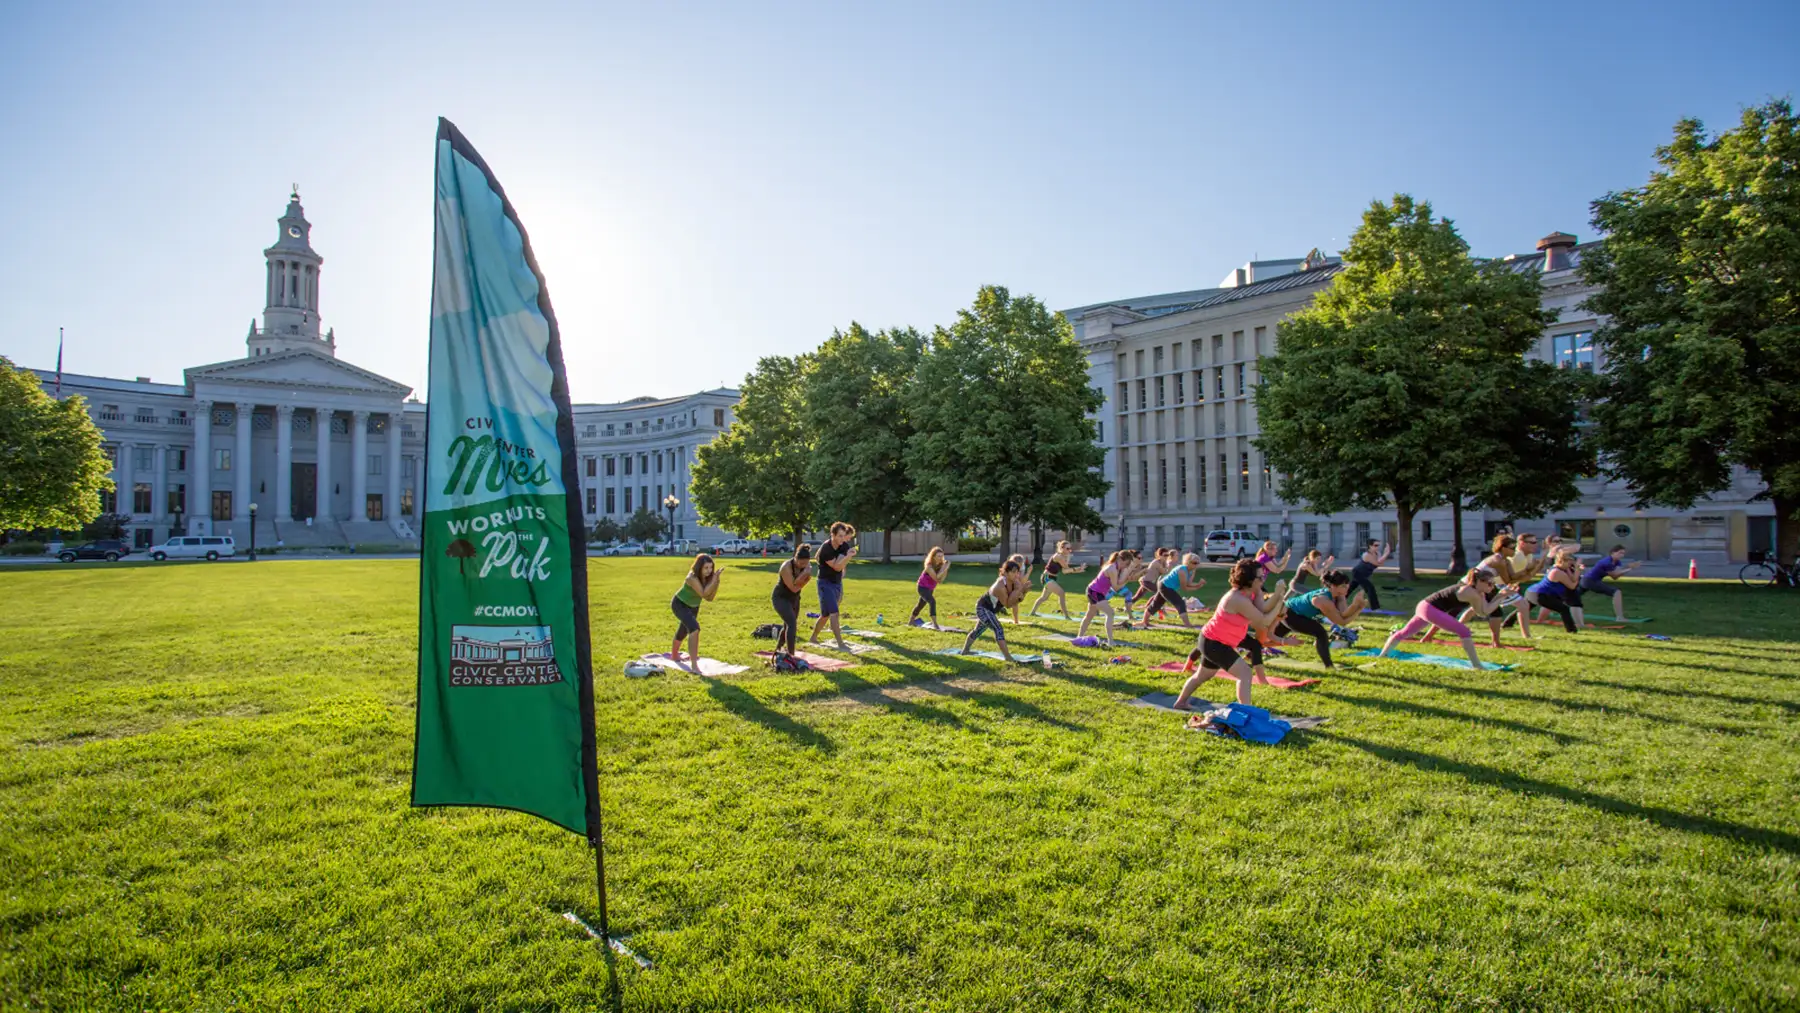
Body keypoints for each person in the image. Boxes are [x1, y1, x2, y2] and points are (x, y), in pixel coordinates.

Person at [1172, 558, 1288, 709]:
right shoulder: (1237, 599)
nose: (1263, 580)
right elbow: (1263, 621)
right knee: (1245, 673)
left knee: (1202, 676)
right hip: (1214, 643)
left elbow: (1263, 609)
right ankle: (1246, 712)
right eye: (1260, 577)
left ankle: (1180, 703)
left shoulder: (1253, 592)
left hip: (1216, 641)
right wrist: (1279, 598)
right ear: (1249, 580)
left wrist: (1278, 596)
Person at [1376, 568, 1500, 670]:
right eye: (1489, 583)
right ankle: (1477, 665)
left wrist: (1501, 596)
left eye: (1493, 584)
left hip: (1425, 606)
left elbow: (1483, 611)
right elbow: (1483, 612)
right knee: (1464, 631)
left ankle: (1382, 656)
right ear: (1479, 582)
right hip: (1429, 608)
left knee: (1405, 633)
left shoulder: (1477, 593)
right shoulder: (1470, 592)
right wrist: (1501, 597)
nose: (1492, 587)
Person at [1424, 533, 1534, 646]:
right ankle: (1428, 636)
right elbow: (1508, 580)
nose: (1514, 551)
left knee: (1493, 612)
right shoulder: (1498, 561)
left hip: (1483, 587)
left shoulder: (1505, 560)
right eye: (1512, 548)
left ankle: (1495, 642)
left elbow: (1514, 577)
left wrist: (1529, 571)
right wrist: (1528, 573)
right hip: (1468, 585)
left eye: (1515, 548)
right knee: (1453, 611)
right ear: (1503, 548)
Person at [1276, 569, 1364, 668]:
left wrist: (1356, 607)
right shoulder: (1323, 600)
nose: (1347, 589)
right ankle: (1329, 666)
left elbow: (1343, 615)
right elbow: (1342, 622)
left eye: (1347, 585)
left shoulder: (1339, 595)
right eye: (1343, 586)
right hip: (1289, 613)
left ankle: (1256, 652)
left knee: (1271, 638)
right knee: (1321, 634)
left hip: (1297, 613)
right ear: (1332, 586)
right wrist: (1357, 608)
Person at [961, 559, 1024, 662]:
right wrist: (1018, 591)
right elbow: (1008, 604)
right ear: (1006, 573)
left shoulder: (1013, 582)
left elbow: (1015, 601)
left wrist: (1022, 593)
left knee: (977, 631)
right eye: (1013, 572)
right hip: (983, 608)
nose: (1017, 574)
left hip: (990, 610)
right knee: (998, 629)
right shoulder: (1000, 585)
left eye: (1018, 572)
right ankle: (1008, 657)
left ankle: (965, 651)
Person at [670, 553, 721, 674]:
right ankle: (694, 666)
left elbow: (709, 598)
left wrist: (716, 582)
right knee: (694, 629)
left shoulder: (707, 578)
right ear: (699, 567)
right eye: (706, 568)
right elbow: (703, 593)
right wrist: (714, 580)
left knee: (683, 630)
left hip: (693, 606)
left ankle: (674, 655)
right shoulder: (691, 577)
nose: (709, 571)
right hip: (679, 604)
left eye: (711, 568)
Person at [809, 522, 858, 651]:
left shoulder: (843, 545)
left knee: (825, 614)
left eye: (844, 536)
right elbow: (837, 567)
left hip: (836, 582)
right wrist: (847, 557)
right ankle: (840, 643)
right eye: (840, 536)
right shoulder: (826, 548)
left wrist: (844, 559)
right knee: (834, 613)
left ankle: (813, 638)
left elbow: (841, 565)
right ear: (833, 535)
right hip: (825, 583)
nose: (843, 539)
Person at [1076, 550, 1133, 647]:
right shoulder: (1112, 569)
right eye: (1126, 564)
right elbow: (1115, 587)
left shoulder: (1115, 567)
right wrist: (1127, 580)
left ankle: (1079, 638)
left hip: (1095, 591)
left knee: (1089, 615)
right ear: (1120, 560)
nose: (1126, 566)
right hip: (1094, 592)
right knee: (1110, 613)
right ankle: (1110, 641)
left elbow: (1117, 583)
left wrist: (1127, 578)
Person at [1526, 550, 1585, 633]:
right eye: (1569, 563)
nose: (1570, 565)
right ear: (1561, 561)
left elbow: (1573, 578)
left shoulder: (1562, 568)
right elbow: (1572, 586)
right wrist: (1578, 571)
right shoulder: (1557, 572)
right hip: (1539, 594)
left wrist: (1577, 569)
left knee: (1524, 608)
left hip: (1533, 591)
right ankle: (1572, 630)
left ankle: (1507, 624)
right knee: (1564, 609)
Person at [770, 544, 813, 659]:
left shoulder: (808, 565)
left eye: (805, 563)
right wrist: (804, 575)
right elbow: (793, 588)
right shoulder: (786, 567)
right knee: (791, 624)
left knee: (788, 625)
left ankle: (778, 648)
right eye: (800, 563)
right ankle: (791, 655)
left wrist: (800, 580)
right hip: (780, 597)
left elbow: (800, 585)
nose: (803, 565)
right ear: (795, 557)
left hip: (794, 598)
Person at [1580, 544, 1641, 621]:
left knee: (1573, 597)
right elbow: (1614, 575)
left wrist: (1627, 568)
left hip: (1589, 580)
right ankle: (1620, 617)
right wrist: (1629, 568)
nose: (1622, 555)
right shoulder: (1606, 562)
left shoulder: (1617, 562)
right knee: (1616, 592)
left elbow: (1616, 576)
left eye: (1623, 553)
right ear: (1613, 553)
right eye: (1620, 553)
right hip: (1589, 581)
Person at [1029, 540, 1087, 619]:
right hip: (1047, 577)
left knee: (1044, 598)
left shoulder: (1063, 557)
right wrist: (1073, 563)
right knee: (1061, 593)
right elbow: (1066, 568)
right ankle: (1066, 616)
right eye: (1067, 548)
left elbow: (1065, 571)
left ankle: (1032, 613)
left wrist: (1079, 570)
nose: (1069, 550)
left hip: (1052, 578)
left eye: (1070, 549)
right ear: (1062, 548)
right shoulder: (1058, 556)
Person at [1147, 552, 1207, 627]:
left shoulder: (1191, 571)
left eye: (1198, 563)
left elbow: (1189, 583)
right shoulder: (1182, 570)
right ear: (1188, 562)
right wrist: (1197, 587)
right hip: (1165, 586)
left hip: (1165, 585)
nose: (1196, 565)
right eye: (1194, 563)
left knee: (1157, 603)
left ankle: (1144, 621)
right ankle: (1187, 624)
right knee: (1180, 603)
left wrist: (1198, 584)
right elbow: (1184, 588)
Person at [910, 546, 950, 629]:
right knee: (932, 602)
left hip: (930, 588)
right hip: (922, 587)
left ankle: (911, 621)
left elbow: (940, 580)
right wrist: (944, 568)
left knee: (921, 604)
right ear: (933, 556)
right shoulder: (929, 566)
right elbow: (936, 578)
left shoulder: (941, 565)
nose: (940, 558)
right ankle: (935, 624)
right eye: (938, 556)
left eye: (941, 556)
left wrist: (945, 569)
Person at [1129, 547, 1175, 616]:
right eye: (1165, 555)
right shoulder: (1156, 562)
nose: (1166, 557)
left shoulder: (1163, 562)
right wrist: (1170, 565)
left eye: (1167, 555)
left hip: (1148, 581)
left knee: (1137, 596)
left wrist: (1169, 565)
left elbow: (1166, 571)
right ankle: (1149, 607)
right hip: (1146, 581)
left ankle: (1127, 606)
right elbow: (1165, 572)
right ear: (1160, 555)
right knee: (1159, 593)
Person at [1349, 539, 1390, 608]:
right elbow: (1377, 563)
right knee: (1370, 588)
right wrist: (1386, 554)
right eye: (1375, 545)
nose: (1377, 547)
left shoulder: (1378, 553)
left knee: (1350, 588)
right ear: (1370, 546)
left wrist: (1384, 555)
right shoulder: (1366, 555)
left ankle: (1337, 600)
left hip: (1365, 574)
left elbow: (1381, 564)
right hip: (1358, 573)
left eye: (1378, 545)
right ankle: (1375, 607)